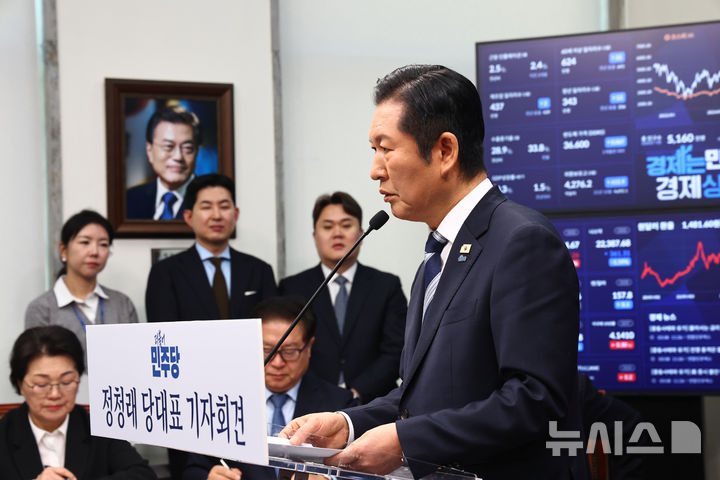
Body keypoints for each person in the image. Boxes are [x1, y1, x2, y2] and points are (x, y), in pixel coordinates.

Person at [281, 65, 586, 480]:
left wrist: (406, 442)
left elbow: (536, 399)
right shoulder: (436, 258)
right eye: (373, 150)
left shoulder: (522, 241)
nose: (375, 169)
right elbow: (421, 400)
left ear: (445, 151)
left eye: (385, 149)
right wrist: (347, 423)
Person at [146, 173, 277, 478]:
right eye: (206, 206)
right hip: (188, 403)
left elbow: (273, 336)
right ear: (188, 216)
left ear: (236, 214)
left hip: (252, 400)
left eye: (224, 206)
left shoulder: (259, 271)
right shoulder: (166, 273)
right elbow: (164, 342)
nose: (216, 215)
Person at [182, 296, 357, 480]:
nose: (277, 362)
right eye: (267, 350)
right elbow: (193, 469)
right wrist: (209, 476)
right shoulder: (222, 401)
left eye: (289, 351)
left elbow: (361, 470)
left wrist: (328, 478)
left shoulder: (341, 405)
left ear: (308, 347)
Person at [279, 192, 407, 403]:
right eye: (328, 227)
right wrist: (323, 394)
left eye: (346, 225)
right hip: (309, 402)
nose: (337, 234)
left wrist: (355, 392)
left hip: (372, 403)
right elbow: (288, 349)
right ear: (315, 236)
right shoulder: (292, 287)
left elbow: (397, 350)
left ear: (361, 234)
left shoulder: (386, 286)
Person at [0, 325, 156, 479]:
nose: (55, 394)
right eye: (42, 384)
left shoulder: (100, 429)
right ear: (20, 384)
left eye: (66, 381)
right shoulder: (4, 434)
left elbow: (143, 474)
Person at [25, 209, 139, 352]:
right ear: (63, 250)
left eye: (103, 244)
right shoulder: (42, 309)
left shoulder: (122, 304)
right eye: (85, 242)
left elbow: (136, 354)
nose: (94, 252)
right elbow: (38, 361)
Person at [126, 106, 200, 220]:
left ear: (196, 152)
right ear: (150, 151)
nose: (178, 157)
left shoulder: (209, 202)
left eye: (187, 148)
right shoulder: (129, 200)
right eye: (168, 146)